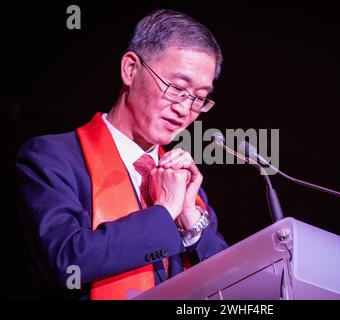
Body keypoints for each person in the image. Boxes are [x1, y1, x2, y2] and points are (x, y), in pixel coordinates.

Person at [16, 9, 228, 300]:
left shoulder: (186, 184)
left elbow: (233, 285)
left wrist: (191, 223)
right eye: (177, 88)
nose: (184, 110)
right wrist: (164, 214)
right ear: (130, 69)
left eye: (199, 98)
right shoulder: (53, 158)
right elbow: (66, 262)